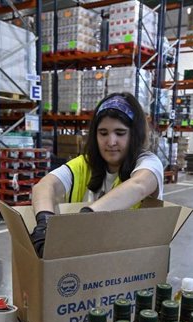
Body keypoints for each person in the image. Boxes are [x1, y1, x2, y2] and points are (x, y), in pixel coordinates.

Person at [29, 92, 165, 257]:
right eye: (103, 133)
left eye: (120, 133)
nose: (111, 142)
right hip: (84, 261)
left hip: (130, 262)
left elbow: (139, 185)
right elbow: (45, 185)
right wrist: (45, 221)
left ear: (134, 135)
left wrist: (85, 218)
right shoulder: (85, 164)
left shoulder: (148, 163)